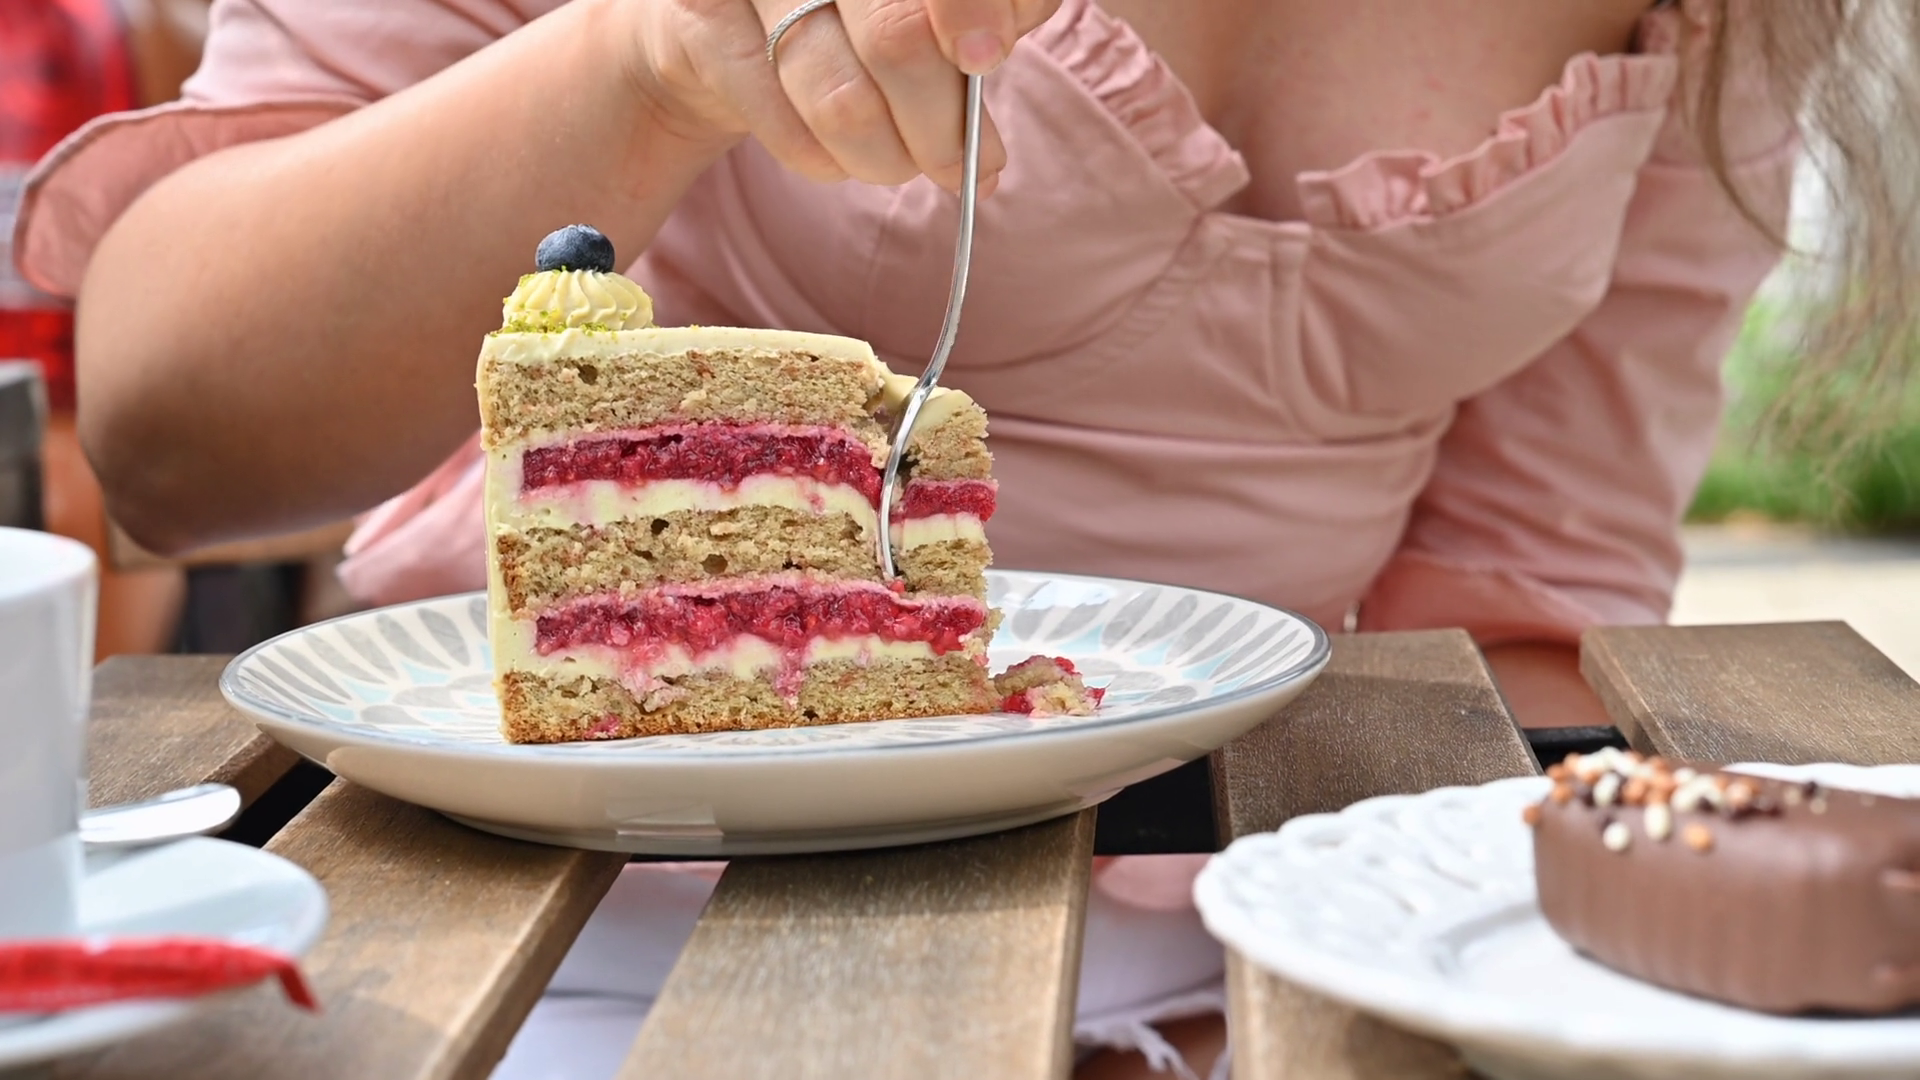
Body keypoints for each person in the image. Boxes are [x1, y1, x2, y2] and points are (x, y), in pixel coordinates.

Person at [13, 0, 1917, 1075]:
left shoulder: (1729, 27)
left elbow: (1522, 612)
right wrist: (646, 65)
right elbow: (175, 438)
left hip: (1269, 937)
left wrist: (1337, 1005)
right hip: (520, 940)